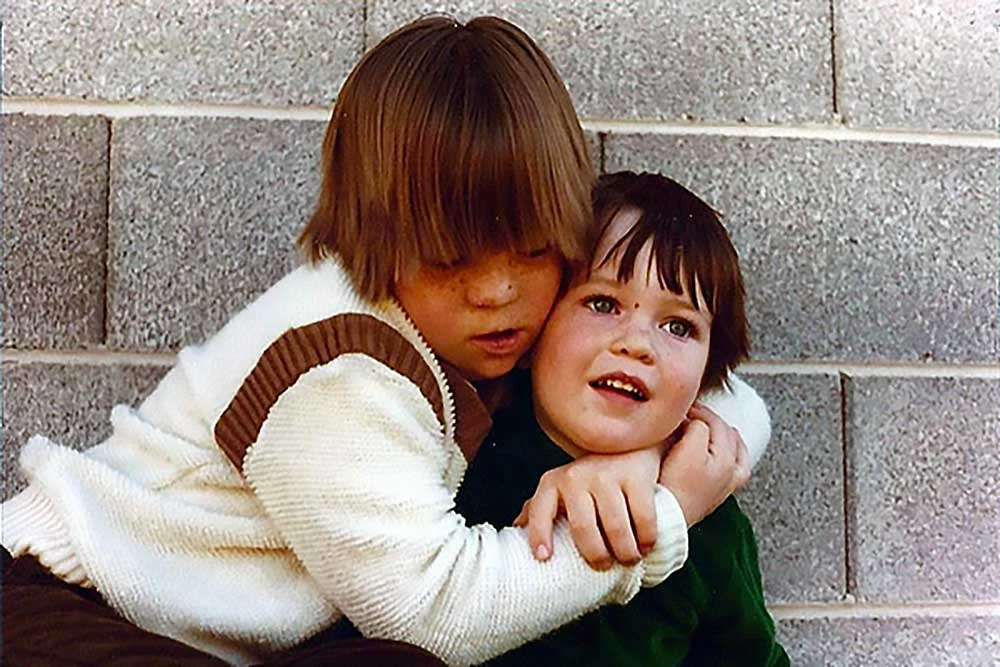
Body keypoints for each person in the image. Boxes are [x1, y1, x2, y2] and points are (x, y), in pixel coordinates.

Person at [1, 17, 765, 667]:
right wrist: (664, 511)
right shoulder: (342, 365)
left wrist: (631, 457)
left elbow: (715, 388)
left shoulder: (491, 324)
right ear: (374, 242)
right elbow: (437, 612)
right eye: (450, 258)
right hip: (66, 605)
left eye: (531, 250)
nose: (496, 292)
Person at [457, 171, 790, 665]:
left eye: (678, 326)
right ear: (532, 333)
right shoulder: (465, 461)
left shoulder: (709, 519)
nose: (637, 343)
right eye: (603, 303)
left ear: (704, 378)